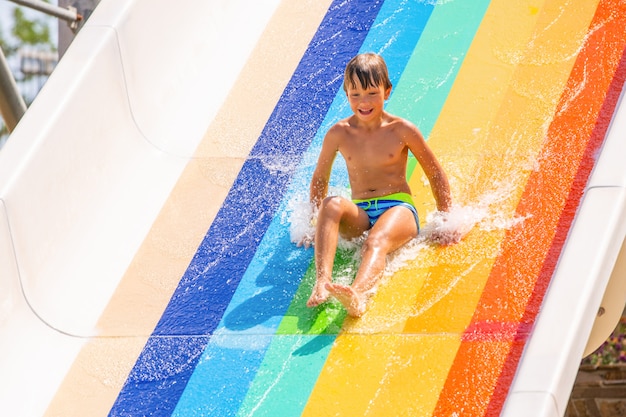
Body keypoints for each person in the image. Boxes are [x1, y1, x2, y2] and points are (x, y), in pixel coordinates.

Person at [298, 53, 453, 317]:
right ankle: (322, 281)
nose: (364, 102)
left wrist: (447, 221)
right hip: (360, 212)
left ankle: (357, 295)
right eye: (355, 94)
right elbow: (320, 179)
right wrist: (311, 224)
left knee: (375, 240)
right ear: (346, 93)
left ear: (387, 91)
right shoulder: (338, 133)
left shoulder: (401, 130)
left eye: (371, 93)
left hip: (398, 209)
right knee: (332, 204)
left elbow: (435, 173)